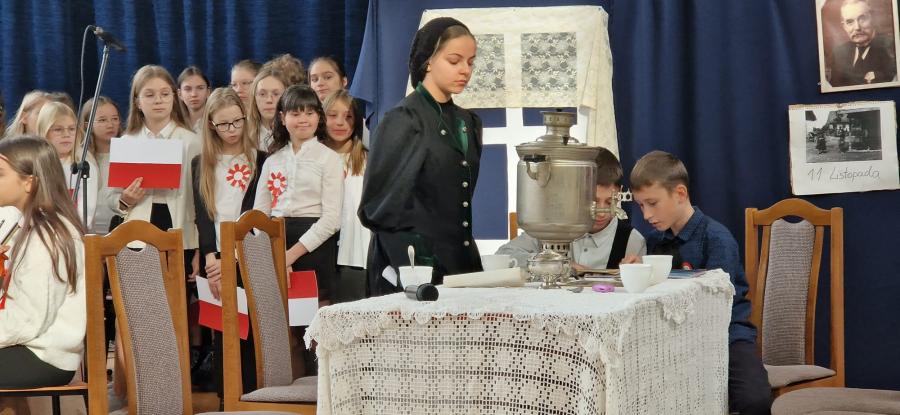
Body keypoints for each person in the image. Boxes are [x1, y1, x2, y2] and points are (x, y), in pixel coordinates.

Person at [622, 150, 771, 415]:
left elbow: (719, 306)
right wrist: (638, 273)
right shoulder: (654, 242)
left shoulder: (717, 239)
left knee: (754, 399)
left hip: (726, 335)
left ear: (680, 194)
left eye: (652, 203)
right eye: (641, 206)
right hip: (670, 339)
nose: (646, 215)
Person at [359, 17, 482, 295]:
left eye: (470, 62)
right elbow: (378, 209)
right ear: (428, 61)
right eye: (454, 60)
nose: (465, 70)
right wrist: (418, 269)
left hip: (460, 267)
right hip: (412, 269)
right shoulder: (403, 120)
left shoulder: (468, 122)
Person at [191, 87, 265, 396]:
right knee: (223, 329)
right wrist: (211, 258)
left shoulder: (260, 160)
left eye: (237, 121)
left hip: (249, 253)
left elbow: (256, 213)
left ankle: (253, 396)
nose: (232, 129)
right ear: (211, 125)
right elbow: (203, 215)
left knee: (251, 330)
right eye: (224, 124)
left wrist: (234, 256)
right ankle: (227, 398)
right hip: (216, 257)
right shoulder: (201, 164)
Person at [0, 136, 86, 389]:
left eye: (1, 174)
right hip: (27, 346)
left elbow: (27, 321)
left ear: (29, 182)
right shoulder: (32, 226)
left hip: (43, 356)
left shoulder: (48, 236)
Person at [106, 65, 201, 273]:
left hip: (180, 232)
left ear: (174, 97)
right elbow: (111, 197)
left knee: (177, 291)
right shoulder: (127, 142)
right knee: (142, 291)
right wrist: (125, 200)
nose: (158, 100)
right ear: (137, 102)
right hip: (137, 234)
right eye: (149, 95)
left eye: (165, 94)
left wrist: (199, 247)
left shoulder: (192, 142)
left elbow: (201, 202)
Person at [252, 84, 343, 303]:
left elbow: (332, 219)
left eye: (309, 113)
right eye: (295, 113)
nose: (303, 119)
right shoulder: (272, 161)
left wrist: (290, 255)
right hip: (275, 244)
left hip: (314, 246)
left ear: (319, 117)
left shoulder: (329, 158)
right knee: (277, 316)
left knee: (312, 317)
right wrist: (277, 255)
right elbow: (258, 216)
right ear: (282, 118)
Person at [497, 148, 645, 271]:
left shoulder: (632, 240)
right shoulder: (551, 228)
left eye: (610, 202)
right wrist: (553, 264)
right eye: (592, 201)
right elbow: (502, 255)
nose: (601, 212)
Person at [322, 89, 369, 302]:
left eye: (348, 116)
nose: (340, 122)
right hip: (321, 250)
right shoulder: (314, 157)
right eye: (332, 115)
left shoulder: (367, 160)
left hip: (355, 254)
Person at [36, 102, 99, 230]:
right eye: (58, 129)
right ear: (44, 131)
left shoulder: (84, 167)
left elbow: (86, 212)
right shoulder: (33, 165)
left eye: (71, 129)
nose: (66, 134)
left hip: (72, 233)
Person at [78, 96, 122, 234]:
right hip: (88, 230)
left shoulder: (126, 153)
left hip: (120, 228)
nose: (110, 125)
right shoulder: (80, 157)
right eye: (102, 120)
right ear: (87, 125)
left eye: (115, 119)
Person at [830, 0, 897, 86]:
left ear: (873, 19)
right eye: (850, 22)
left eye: (862, 19)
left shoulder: (891, 48)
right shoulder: (839, 53)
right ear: (844, 26)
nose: (857, 27)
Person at [246, 67, 290, 152]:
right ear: (254, 98)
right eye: (262, 94)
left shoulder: (295, 131)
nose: (269, 100)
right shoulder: (243, 132)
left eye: (276, 94)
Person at [177, 66, 211, 133]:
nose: (194, 94)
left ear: (208, 92)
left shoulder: (217, 122)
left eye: (200, 88)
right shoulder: (175, 124)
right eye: (187, 89)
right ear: (180, 94)